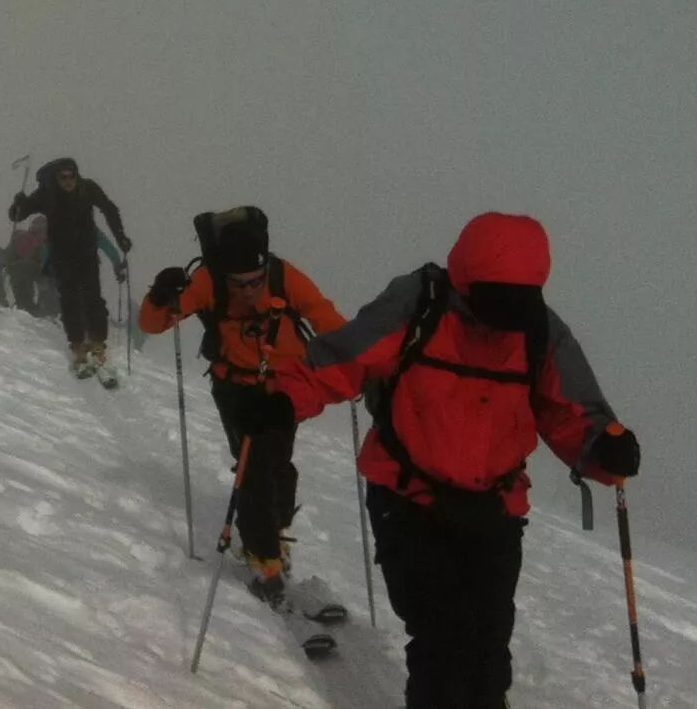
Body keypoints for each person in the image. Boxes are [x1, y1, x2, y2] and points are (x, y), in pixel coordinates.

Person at [269, 211, 641, 709]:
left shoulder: (539, 329)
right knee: (442, 644)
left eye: (516, 302)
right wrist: (282, 400)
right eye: (495, 300)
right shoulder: (419, 305)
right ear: (466, 281)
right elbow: (344, 358)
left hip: (494, 509)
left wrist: (603, 447)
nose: (504, 317)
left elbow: (570, 412)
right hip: (408, 499)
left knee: (487, 651)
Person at [138, 206, 345, 608]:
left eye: (255, 281)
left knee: (278, 463)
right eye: (239, 283)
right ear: (225, 274)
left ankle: (273, 534)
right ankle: (263, 556)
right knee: (254, 465)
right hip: (234, 385)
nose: (248, 291)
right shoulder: (208, 281)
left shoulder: (284, 276)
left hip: (283, 388)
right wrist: (159, 295)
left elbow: (325, 318)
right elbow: (152, 323)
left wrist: (355, 356)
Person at [8, 157, 131, 377]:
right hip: (62, 256)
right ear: (56, 178)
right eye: (62, 177)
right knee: (70, 300)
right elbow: (18, 215)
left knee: (93, 298)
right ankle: (78, 346)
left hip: (86, 254)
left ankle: (97, 344)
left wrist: (120, 237)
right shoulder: (47, 194)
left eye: (71, 175)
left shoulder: (87, 188)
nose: (67, 180)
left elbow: (109, 209)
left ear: (77, 174)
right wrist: (19, 204)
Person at [5, 215, 49, 315]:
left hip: (29, 269)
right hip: (26, 269)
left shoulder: (31, 239)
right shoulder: (27, 239)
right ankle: (31, 308)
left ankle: (33, 308)